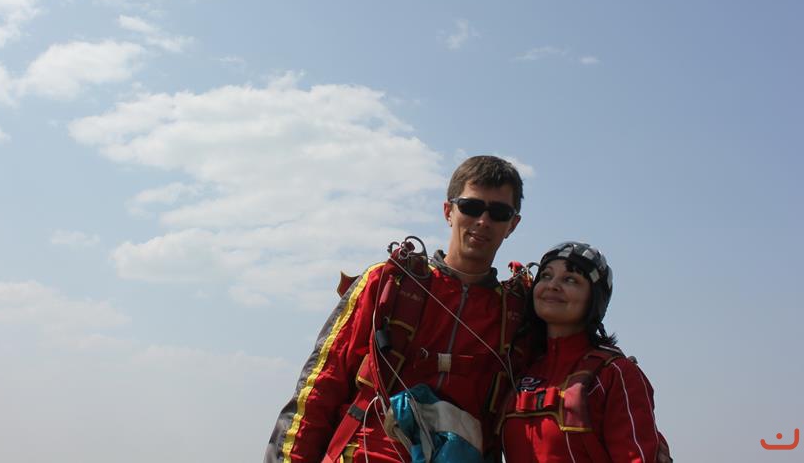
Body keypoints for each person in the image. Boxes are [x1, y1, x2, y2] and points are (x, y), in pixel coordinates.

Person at [264, 155, 529, 463]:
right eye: (471, 207)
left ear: (512, 225)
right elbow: (320, 387)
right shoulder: (387, 284)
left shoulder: (518, 314)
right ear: (448, 211)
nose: (483, 221)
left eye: (499, 212)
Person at [497, 242, 673, 462]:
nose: (553, 285)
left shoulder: (614, 374)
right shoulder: (518, 369)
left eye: (571, 279)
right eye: (546, 276)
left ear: (595, 299)